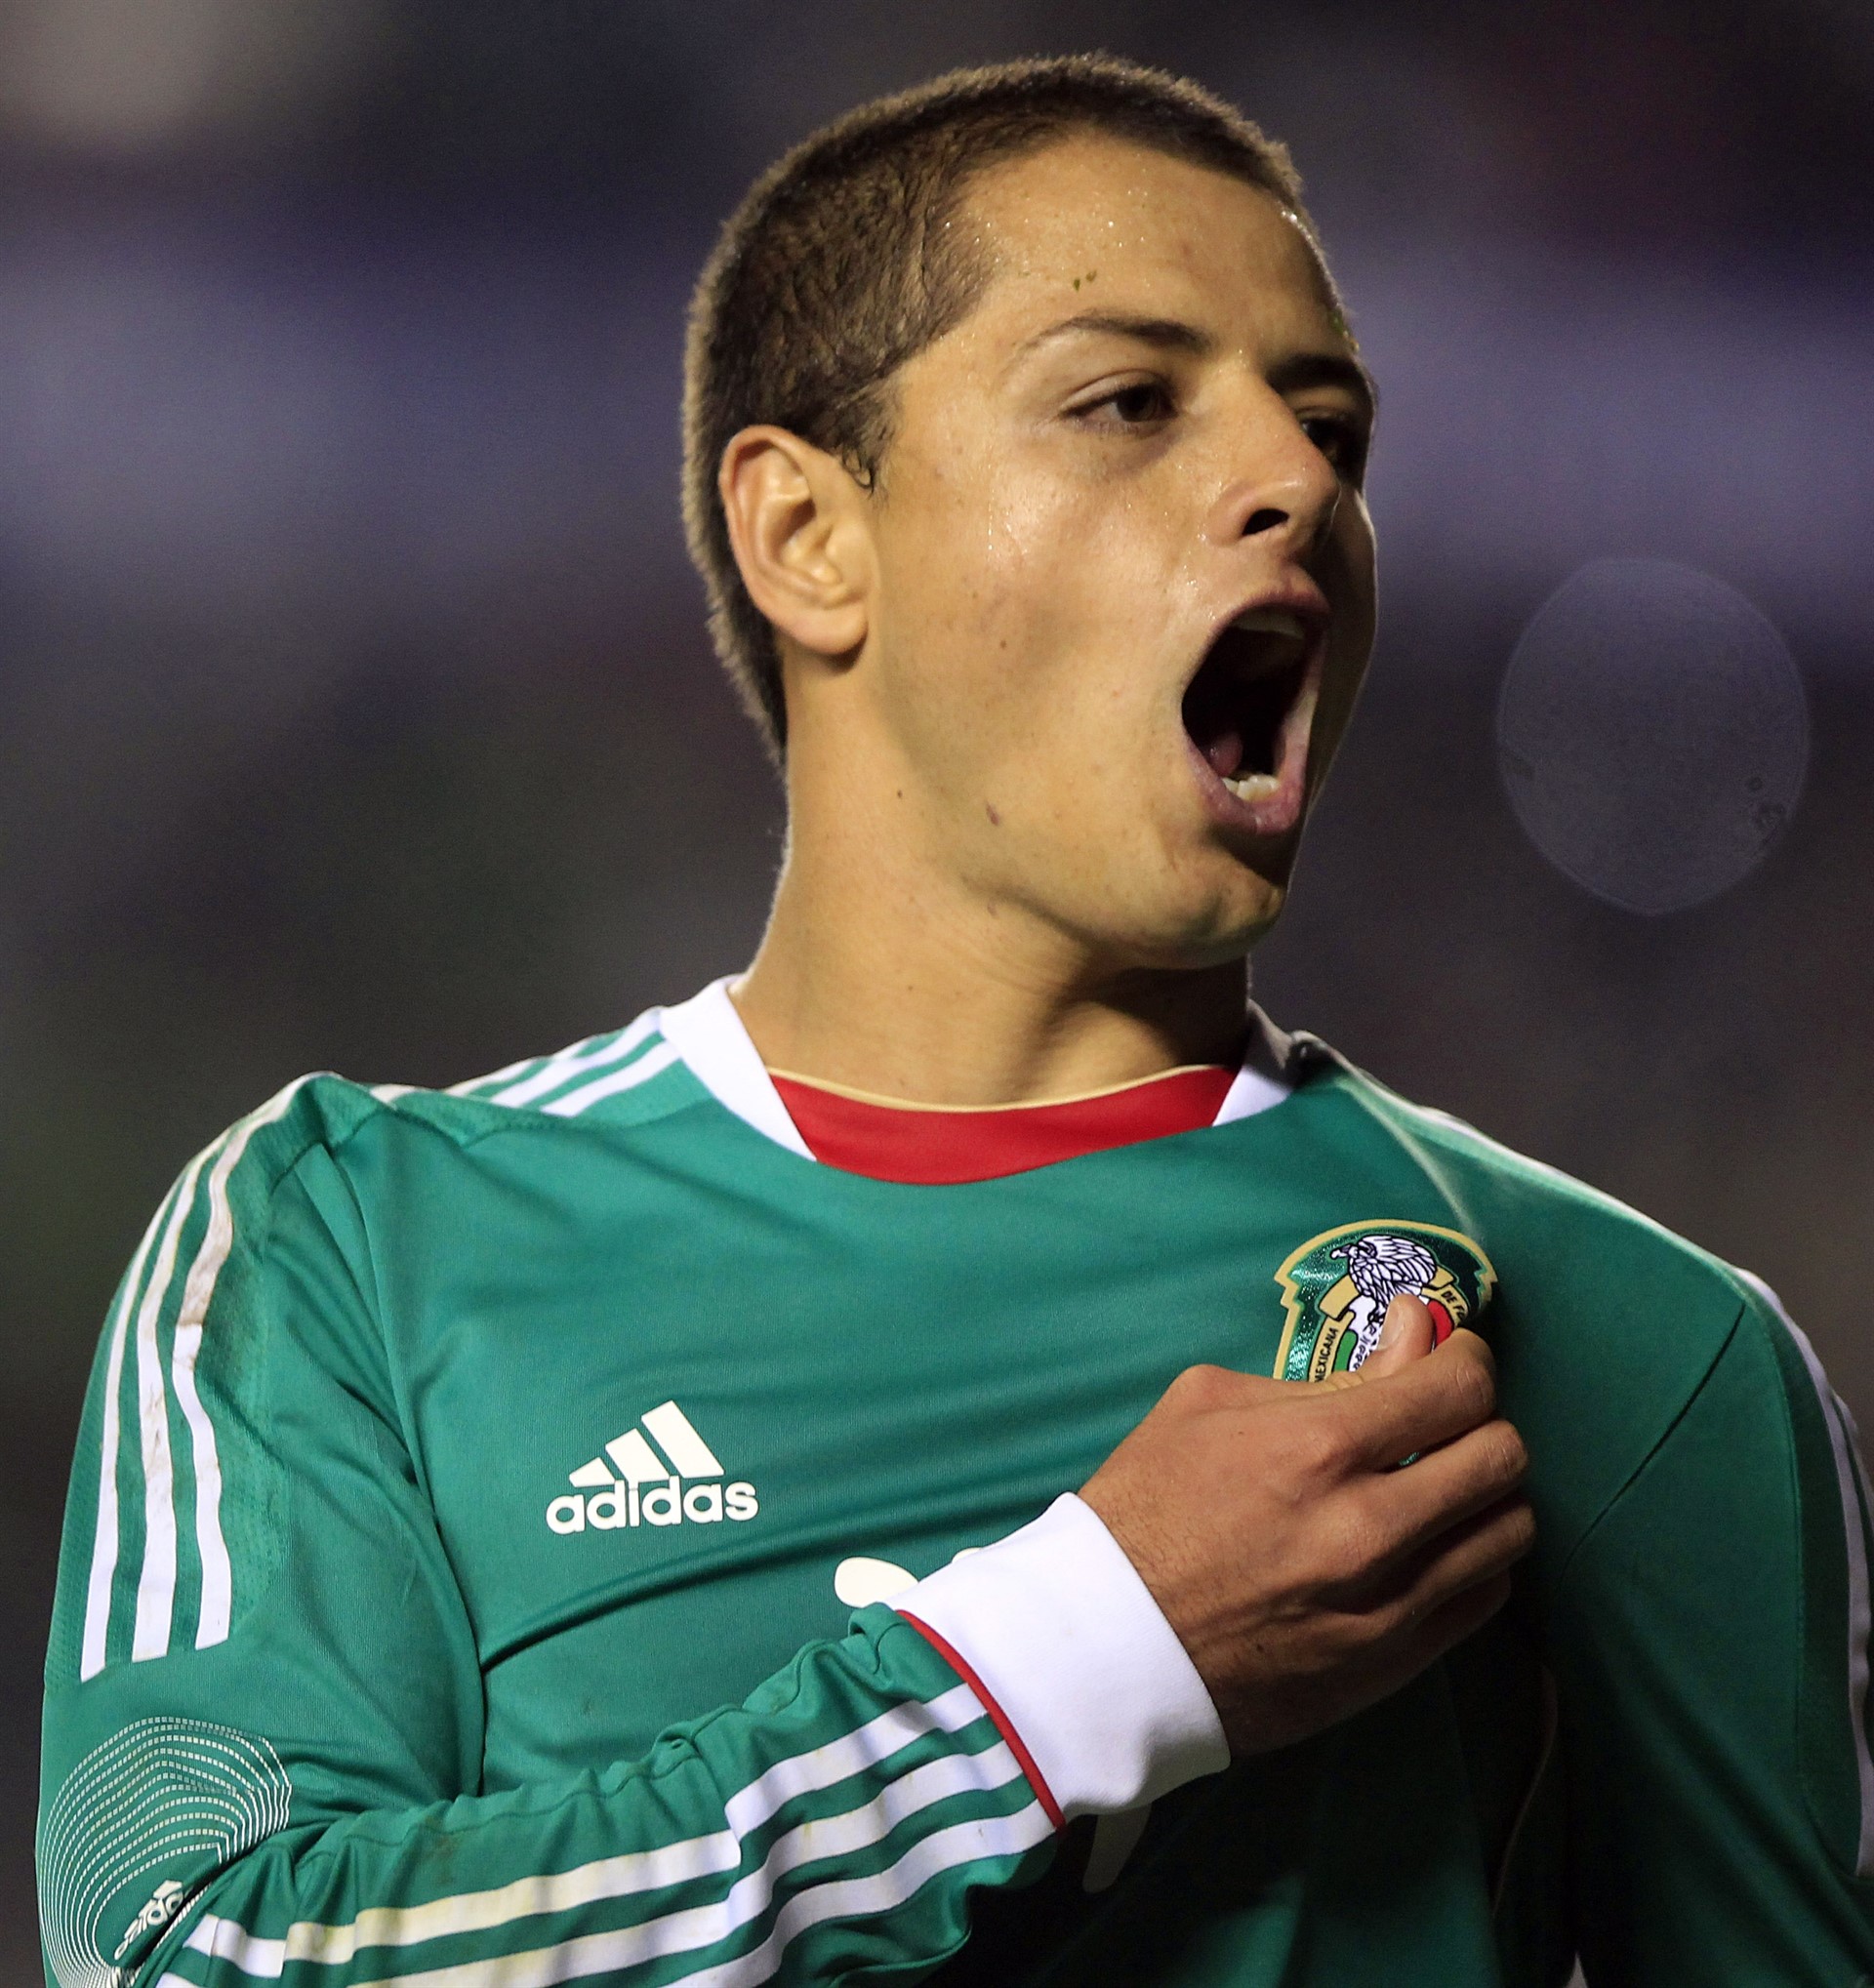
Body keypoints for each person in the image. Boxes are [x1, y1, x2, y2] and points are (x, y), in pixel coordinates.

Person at [35, 54, 1873, 1988]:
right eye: (1129, 400)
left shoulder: (1647, 1354)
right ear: (806, 536)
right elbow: (184, 1950)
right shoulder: (345, 1246)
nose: (1302, 482)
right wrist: (1067, 1670)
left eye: (1329, 424)